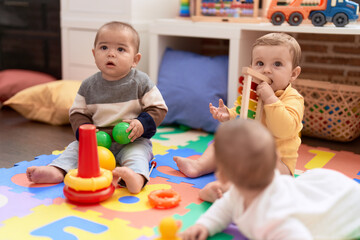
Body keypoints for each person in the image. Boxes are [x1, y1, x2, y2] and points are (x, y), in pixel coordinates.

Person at [26, 21, 168, 194]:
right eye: (104, 48)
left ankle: (135, 177)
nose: (111, 54)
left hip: (132, 140)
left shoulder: (141, 82)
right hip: (96, 142)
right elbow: (78, 113)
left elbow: (158, 108)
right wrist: (86, 134)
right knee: (73, 149)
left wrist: (141, 124)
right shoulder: (88, 86)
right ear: (94, 54)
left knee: (138, 155)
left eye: (121, 49)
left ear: (135, 59)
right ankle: (57, 170)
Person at [174, 32, 304, 202]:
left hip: (278, 163)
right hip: (247, 151)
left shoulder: (292, 98)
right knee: (220, 143)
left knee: (257, 173)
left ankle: (226, 191)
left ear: (293, 74)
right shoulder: (253, 93)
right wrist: (229, 114)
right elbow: (242, 112)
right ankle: (199, 166)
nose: (266, 69)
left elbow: (284, 129)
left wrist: (270, 99)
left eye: (277, 64)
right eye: (259, 63)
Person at [180, 119, 360, 240]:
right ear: (276, 158)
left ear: (222, 176)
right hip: (324, 187)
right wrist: (204, 225)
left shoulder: (274, 219)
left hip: (347, 207)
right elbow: (225, 207)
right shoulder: (238, 193)